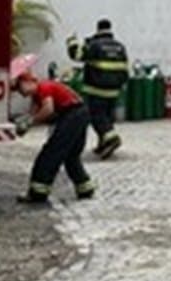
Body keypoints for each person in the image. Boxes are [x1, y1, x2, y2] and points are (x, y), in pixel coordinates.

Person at [12, 71, 95, 203]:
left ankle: (38, 192)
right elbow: (34, 113)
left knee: (51, 154)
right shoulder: (38, 94)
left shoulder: (44, 87)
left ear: (28, 82)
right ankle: (85, 188)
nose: (20, 93)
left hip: (72, 115)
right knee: (71, 155)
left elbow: (48, 109)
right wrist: (26, 124)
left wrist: (29, 122)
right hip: (80, 113)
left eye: (19, 87)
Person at [66, 18, 130, 159]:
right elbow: (125, 68)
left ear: (98, 29)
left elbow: (76, 56)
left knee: (97, 117)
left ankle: (112, 138)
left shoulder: (94, 45)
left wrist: (72, 42)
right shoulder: (120, 47)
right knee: (107, 117)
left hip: (96, 89)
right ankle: (103, 144)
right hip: (114, 90)